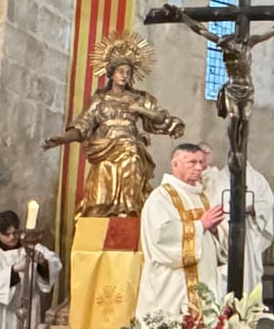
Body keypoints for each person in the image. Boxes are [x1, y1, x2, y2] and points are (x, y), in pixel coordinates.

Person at [43, 32, 185, 217]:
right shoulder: (99, 99)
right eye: (120, 71)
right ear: (111, 72)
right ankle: (97, 222)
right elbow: (82, 125)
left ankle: (128, 215)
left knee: (131, 162)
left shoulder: (139, 98)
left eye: (128, 72)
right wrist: (63, 139)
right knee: (98, 199)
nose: (124, 75)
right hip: (104, 150)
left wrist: (140, 109)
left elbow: (159, 119)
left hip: (130, 149)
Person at [137, 143, 225, 322]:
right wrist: (201, 226)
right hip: (173, 283)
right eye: (192, 162)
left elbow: (212, 240)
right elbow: (161, 236)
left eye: (201, 162)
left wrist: (215, 231)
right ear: (175, 164)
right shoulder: (161, 197)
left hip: (204, 278)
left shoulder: (202, 197)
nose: (199, 167)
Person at [204, 158, 274, 300]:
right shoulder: (216, 179)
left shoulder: (257, 179)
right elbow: (208, 203)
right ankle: (225, 310)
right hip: (222, 232)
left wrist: (253, 208)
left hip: (249, 233)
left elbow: (267, 202)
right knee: (223, 278)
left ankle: (248, 309)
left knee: (249, 274)